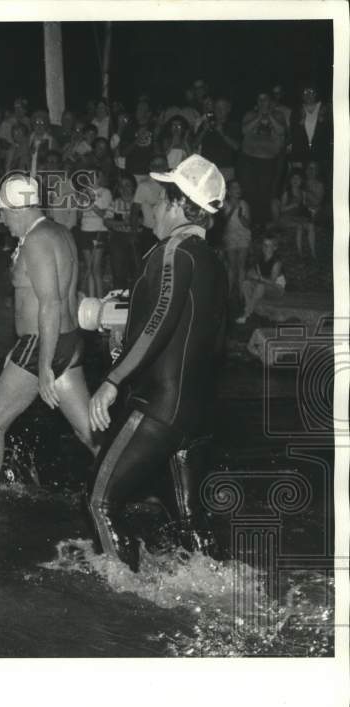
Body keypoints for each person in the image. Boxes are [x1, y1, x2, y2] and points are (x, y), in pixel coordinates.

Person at [87, 154, 228, 570]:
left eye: (162, 200)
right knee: (189, 518)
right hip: (196, 413)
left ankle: (121, 603)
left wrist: (114, 379)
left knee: (99, 502)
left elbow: (161, 319)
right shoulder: (213, 261)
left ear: (180, 204)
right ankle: (220, 588)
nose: (155, 207)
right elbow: (202, 338)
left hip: (159, 407)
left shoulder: (174, 250)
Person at [0, 174, 98, 485]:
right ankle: (140, 491)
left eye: (3, 213)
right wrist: (21, 351)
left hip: (44, 343)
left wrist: (43, 365)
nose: (1, 221)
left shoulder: (36, 240)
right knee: (89, 433)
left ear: (18, 209)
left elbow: (51, 303)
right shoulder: (60, 233)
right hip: (66, 341)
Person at [239, 91, 287, 229]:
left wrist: (269, 114)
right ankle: (251, 225)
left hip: (269, 161)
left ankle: (265, 226)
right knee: (250, 193)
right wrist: (260, 115)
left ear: (270, 101)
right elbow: (244, 130)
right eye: (259, 99)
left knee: (266, 194)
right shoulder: (250, 114)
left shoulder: (278, 115)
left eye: (265, 99)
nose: (262, 102)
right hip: (249, 160)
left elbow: (281, 131)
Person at [238, 231, 286, 324]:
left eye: (268, 246)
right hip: (263, 286)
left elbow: (272, 282)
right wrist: (250, 274)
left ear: (275, 247)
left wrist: (258, 277)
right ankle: (250, 309)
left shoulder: (277, 262)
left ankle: (247, 314)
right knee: (246, 284)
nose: (265, 248)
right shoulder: (260, 259)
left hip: (277, 289)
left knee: (260, 286)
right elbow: (251, 273)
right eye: (264, 245)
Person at [78, 169, 112, 298]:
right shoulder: (83, 192)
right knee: (89, 268)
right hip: (85, 230)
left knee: (96, 268)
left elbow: (103, 214)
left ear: (99, 178)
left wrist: (90, 202)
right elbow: (79, 215)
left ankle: (100, 299)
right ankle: (92, 298)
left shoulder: (105, 192)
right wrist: (81, 201)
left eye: (94, 176)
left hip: (99, 231)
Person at [104, 174, 139, 290]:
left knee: (137, 271)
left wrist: (134, 221)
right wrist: (124, 223)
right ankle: (119, 296)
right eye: (121, 186)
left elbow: (146, 220)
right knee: (118, 272)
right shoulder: (115, 203)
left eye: (127, 185)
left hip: (137, 239)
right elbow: (107, 221)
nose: (124, 189)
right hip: (118, 238)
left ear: (133, 187)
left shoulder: (139, 202)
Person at [220, 179, 252, 300]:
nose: (237, 190)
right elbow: (223, 223)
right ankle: (229, 294)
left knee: (241, 266)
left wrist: (240, 216)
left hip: (243, 236)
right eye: (234, 188)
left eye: (239, 187)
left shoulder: (244, 204)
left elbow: (248, 224)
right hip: (230, 236)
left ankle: (241, 295)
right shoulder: (224, 204)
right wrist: (233, 209)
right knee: (232, 266)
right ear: (228, 192)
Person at [196, 97, 241, 181]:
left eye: (222, 108)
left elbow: (237, 147)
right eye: (217, 108)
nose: (219, 110)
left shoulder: (233, 125)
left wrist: (222, 133)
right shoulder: (207, 124)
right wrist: (204, 130)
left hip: (226, 169)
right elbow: (195, 144)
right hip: (206, 168)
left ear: (228, 109)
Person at [130, 154, 168, 256]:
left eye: (162, 165)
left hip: (167, 231)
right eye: (156, 165)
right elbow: (134, 211)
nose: (159, 168)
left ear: (167, 166)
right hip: (150, 232)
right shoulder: (144, 185)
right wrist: (134, 234)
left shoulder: (171, 185)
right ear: (150, 167)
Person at [274, 170, 312, 259]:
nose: (295, 180)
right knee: (299, 226)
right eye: (293, 178)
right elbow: (281, 209)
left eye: (298, 178)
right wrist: (292, 205)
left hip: (297, 217)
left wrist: (308, 208)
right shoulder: (287, 193)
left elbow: (304, 207)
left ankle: (313, 251)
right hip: (285, 218)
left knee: (311, 226)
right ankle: (300, 252)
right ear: (290, 180)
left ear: (301, 181)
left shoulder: (303, 193)